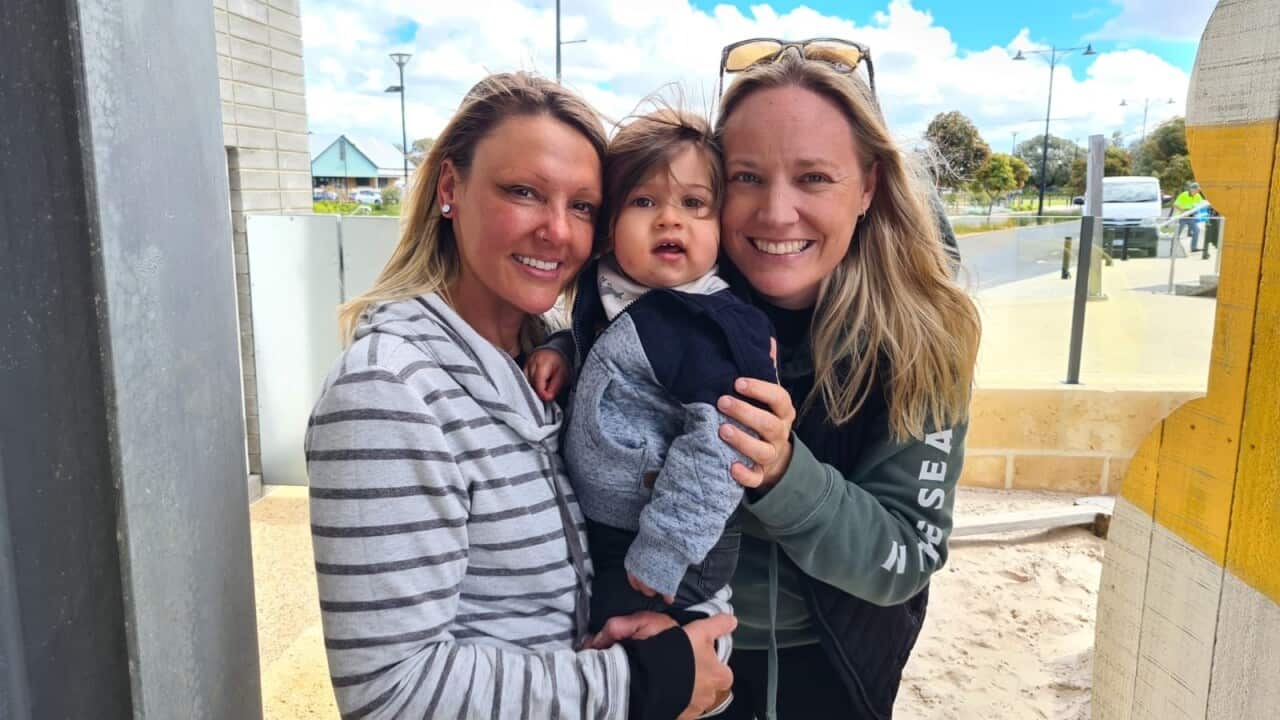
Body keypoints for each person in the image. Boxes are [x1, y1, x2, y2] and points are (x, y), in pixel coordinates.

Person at [304, 72, 735, 720]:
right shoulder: (388, 394)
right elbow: (390, 694)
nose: (557, 232)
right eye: (524, 192)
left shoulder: (557, 363)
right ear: (450, 189)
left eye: (583, 206)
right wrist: (641, 682)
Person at [696, 42, 980, 719]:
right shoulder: (668, 304)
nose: (775, 212)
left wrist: (784, 475)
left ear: (869, 187)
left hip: (830, 666)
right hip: (669, 652)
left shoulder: (925, 335)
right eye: (746, 177)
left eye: (814, 178)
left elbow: (908, 554)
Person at [525, 108, 774, 661]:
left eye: (693, 204)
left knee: (645, 648)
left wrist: (665, 550)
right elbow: (608, 352)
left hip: (676, 538)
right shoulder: (613, 289)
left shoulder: (714, 326)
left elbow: (720, 445)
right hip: (617, 525)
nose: (670, 220)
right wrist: (561, 350)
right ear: (611, 224)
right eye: (643, 202)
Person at [1172, 181, 1209, 252]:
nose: (1198, 191)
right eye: (1197, 190)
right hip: (1182, 217)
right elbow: (1175, 205)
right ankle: (1172, 248)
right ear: (1192, 189)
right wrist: (1184, 211)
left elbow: (1200, 204)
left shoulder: (1198, 196)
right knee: (1177, 233)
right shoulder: (1184, 195)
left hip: (1191, 218)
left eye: (1199, 190)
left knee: (1196, 231)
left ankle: (1193, 248)